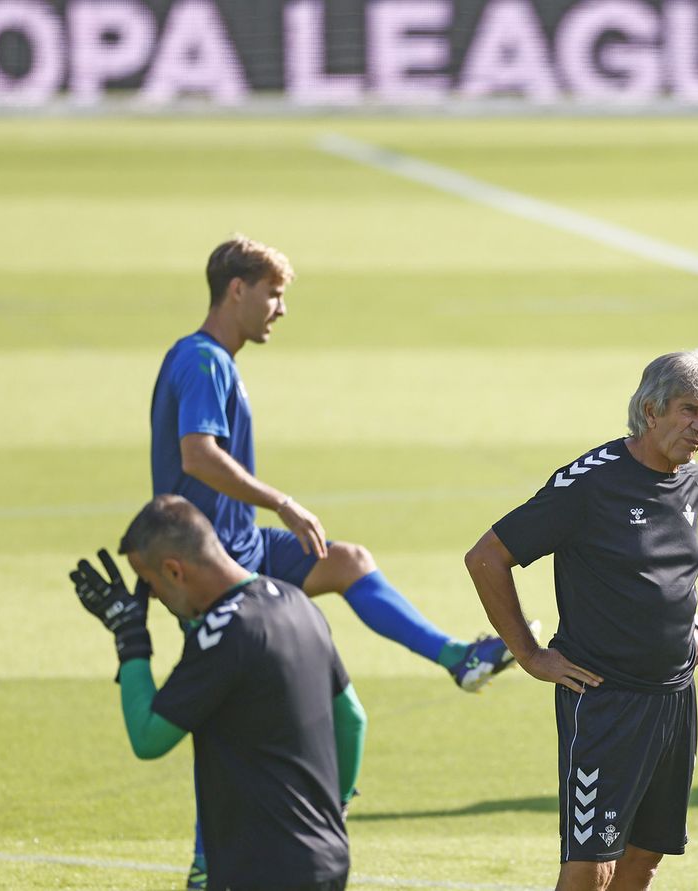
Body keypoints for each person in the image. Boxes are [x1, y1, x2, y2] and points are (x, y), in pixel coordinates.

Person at [153, 236, 523, 887]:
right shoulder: (203, 361)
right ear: (236, 290)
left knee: (348, 560)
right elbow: (197, 456)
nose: (281, 308)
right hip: (209, 571)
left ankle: (458, 658)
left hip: (244, 548)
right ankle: (209, 855)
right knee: (229, 719)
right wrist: (283, 501)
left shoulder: (215, 360)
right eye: (274, 293)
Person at [464, 349, 698, 891]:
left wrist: (691, 622)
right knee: (591, 867)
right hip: (606, 701)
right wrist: (530, 656)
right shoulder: (588, 484)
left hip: (675, 696)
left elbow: (675, 565)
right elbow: (487, 557)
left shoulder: (691, 479)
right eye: (687, 410)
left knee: (644, 858)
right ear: (651, 410)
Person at [70, 494, 363, 891]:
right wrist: (334, 810)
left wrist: (130, 637)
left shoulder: (222, 632)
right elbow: (352, 719)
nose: (151, 597)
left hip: (262, 870)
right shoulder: (297, 603)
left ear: (174, 570)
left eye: (151, 584)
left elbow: (148, 736)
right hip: (326, 858)